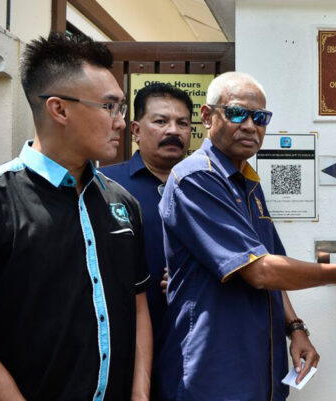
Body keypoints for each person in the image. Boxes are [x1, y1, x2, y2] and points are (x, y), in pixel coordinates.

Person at [156, 71, 336, 400]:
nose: (249, 125)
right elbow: (260, 271)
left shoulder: (248, 183)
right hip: (213, 372)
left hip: (260, 369)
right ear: (206, 116)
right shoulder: (196, 179)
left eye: (260, 117)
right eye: (236, 113)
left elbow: (270, 262)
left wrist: (295, 328)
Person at [0, 32, 151, 400]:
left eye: (121, 108)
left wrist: (140, 392)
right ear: (59, 109)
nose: (121, 122)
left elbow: (137, 304)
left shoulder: (121, 202)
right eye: (110, 107)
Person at [100, 82, 192, 397]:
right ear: (136, 129)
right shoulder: (106, 185)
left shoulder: (206, 189)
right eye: (161, 121)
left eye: (183, 123)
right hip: (125, 344)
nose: (174, 130)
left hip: (194, 345)